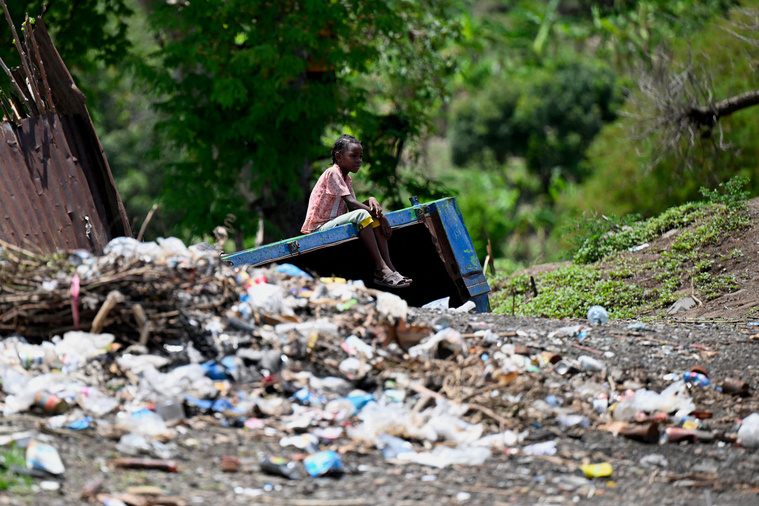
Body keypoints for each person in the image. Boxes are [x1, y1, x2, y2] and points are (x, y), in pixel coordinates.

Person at [301, 134, 412, 288]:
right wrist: (383, 217)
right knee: (366, 215)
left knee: (370, 214)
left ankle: (389, 268)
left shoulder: (346, 178)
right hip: (319, 227)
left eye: (360, 157)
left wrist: (371, 200)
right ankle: (381, 268)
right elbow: (352, 203)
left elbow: (354, 206)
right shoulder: (332, 173)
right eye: (353, 156)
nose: (358, 160)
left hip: (332, 222)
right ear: (339, 157)